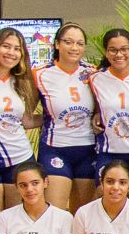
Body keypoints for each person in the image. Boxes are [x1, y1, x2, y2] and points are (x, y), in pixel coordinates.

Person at [0, 25, 41, 208]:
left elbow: (26, 121)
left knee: (15, 217)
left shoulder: (24, 81)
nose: (11, 52)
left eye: (17, 49)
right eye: (6, 46)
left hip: (21, 156)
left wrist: (56, 119)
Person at [34, 23, 98, 211]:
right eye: (68, 42)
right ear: (57, 44)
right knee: (55, 212)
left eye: (79, 43)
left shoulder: (93, 72)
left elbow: (102, 106)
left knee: (83, 214)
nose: (74, 48)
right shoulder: (40, 74)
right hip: (55, 149)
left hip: (88, 148)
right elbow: (27, 111)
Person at [89, 28, 129, 205]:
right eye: (113, 50)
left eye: (124, 49)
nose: (119, 54)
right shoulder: (95, 78)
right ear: (106, 52)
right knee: (106, 205)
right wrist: (96, 115)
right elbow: (93, 107)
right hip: (108, 152)